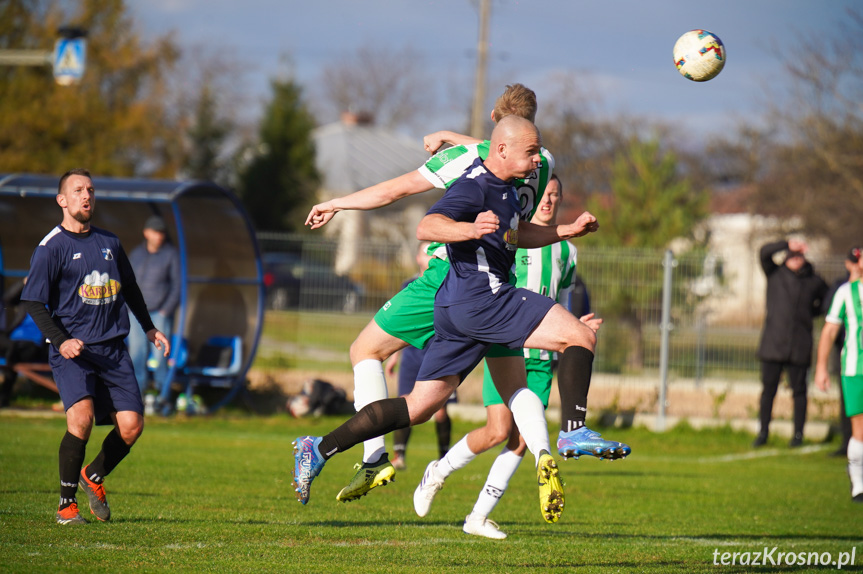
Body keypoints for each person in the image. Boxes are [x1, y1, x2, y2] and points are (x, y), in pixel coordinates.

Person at [304, 84, 628, 504]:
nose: (537, 158)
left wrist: (564, 230)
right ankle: (570, 434)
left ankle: (322, 447)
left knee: (420, 404)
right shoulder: (496, 175)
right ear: (506, 143)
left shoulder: (501, 170)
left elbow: (416, 187)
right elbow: (426, 224)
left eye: (536, 151)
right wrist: (468, 228)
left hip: (460, 300)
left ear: (494, 120)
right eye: (531, 150)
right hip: (477, 290)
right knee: (578, 338)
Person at [411, 173, 594, 539]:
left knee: (520, 439)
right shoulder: (511, 232)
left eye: (555, 196)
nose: (548, 201)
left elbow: (562, 298)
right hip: (501, 336)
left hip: (541, 350)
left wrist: (579, 323)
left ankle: (477, 517)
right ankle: (439, 471)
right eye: (545, 194)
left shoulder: (566, 250)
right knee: (497, 431)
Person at [19, 168, 170, 525]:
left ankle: (93, 477)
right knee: (81, 419)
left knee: (132, 426)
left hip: (113, 351)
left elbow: (130, 288)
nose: (86, 196)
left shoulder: (110, 242)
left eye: (89, 190)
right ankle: (65, 505)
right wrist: (61, 340)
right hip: (75, 353)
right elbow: (34, 302)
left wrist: (149, 328)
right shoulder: (51, 247)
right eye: (77, 191)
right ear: (63, 201)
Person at [384, 241, 454, 470]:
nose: (430, 256)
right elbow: (402, 324)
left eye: (434, 252)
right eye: (426, 251)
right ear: (417, 258)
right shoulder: (409, 285)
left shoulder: (449, 282)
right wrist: (393, 355)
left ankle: (445, 457)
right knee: (405, 402)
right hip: (412, 355)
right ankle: (399, 455)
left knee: (439, 409)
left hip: (438, 353)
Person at [753, 238, 828, 448]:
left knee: (800, 392)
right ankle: (763, 432)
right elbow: (764, 252)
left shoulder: (814, 281)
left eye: (799, 256)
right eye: (792, 255)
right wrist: (787, 243)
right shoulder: (775, 274)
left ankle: (797, 435)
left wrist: (811, 313)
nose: (796, 259)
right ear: (786, 257)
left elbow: (828, 300)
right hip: (773, 345)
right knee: (768, 391)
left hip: (799, 346)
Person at [813, 246, 863, 503]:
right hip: (856, 369)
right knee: (859, 429)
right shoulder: (846, 292)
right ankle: (858, 484)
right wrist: (821, 367)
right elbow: (830, 330)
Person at [126, 214, 180, 413]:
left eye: (162, 233)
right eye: (156, 232)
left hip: (159, 315)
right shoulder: (136, 254)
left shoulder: (171, 255)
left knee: (160, 357)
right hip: (136, 315)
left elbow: (177, 286)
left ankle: (163, 399)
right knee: (137, 355)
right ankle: (136, 399)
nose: (159, 236)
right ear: (146, 233)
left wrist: (166, 310)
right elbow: (127, 283)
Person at [822, 248, 859, 456]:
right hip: (850, 357)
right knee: (850, 408)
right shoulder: (842, 289)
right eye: (854, 261)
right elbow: (829, 322)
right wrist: (821, 366)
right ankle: (847, 445)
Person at [0, 277, 49, 408]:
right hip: (12, 341)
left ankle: (3, 397)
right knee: (10, 348)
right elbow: (7, 298)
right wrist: (25, 281)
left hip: (33, 346)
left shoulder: (53, 303)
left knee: (13, 351)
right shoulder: (27, 300)